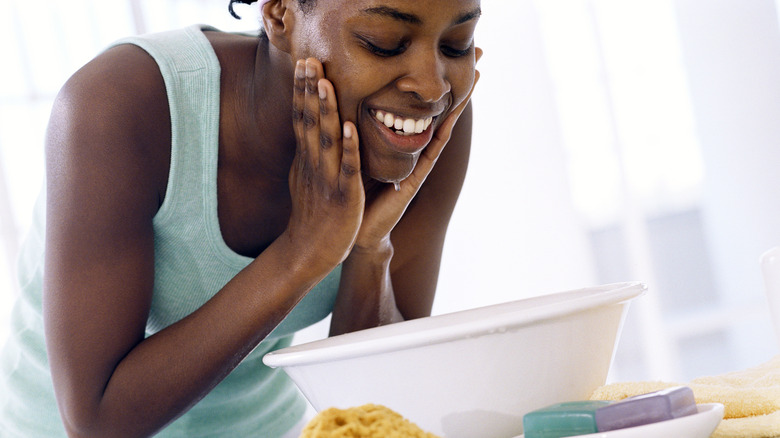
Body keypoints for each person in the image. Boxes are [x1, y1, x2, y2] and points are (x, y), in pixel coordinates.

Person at [0, 0, 481, 436]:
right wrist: (302, 253)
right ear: (279, 14)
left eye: (456, 44)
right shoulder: (121, 103)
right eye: (383, 42)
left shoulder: (420, 130)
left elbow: (371, 408)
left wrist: (369, 250)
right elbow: (97, 420)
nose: (431, 86)